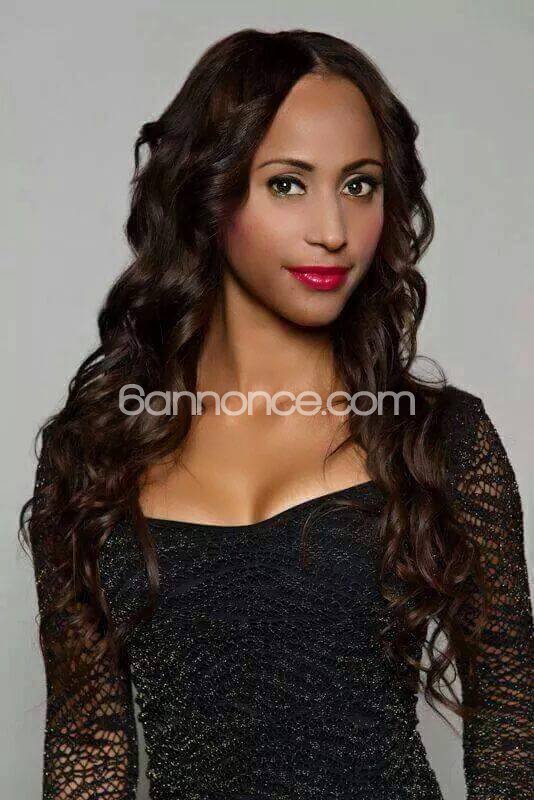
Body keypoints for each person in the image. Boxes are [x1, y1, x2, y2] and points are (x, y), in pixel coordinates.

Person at [20, 28, 532, 800]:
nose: (333, 230)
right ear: (208, 193)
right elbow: (87, 741)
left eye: (359, 185)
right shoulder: (95, 455)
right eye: (288, 184)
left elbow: (510, 726)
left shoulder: (440, 441)